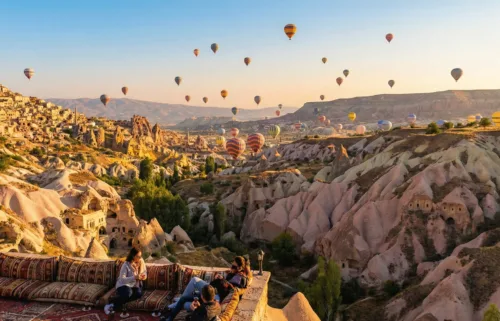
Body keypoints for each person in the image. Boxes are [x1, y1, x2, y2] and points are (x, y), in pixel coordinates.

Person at [104, 247, 147, 317]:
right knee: (128, 293)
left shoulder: (141, 261)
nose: (140, 258)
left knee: (138, 294)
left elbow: (144, 272)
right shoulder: (126, 265)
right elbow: (122, 279)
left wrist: (143, 276)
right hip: (123, 285)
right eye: (138, 256)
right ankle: (112, 304)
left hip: (134, 285)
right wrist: (134, 277)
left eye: (140, 256)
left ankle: (117, 303)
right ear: (133, 256)